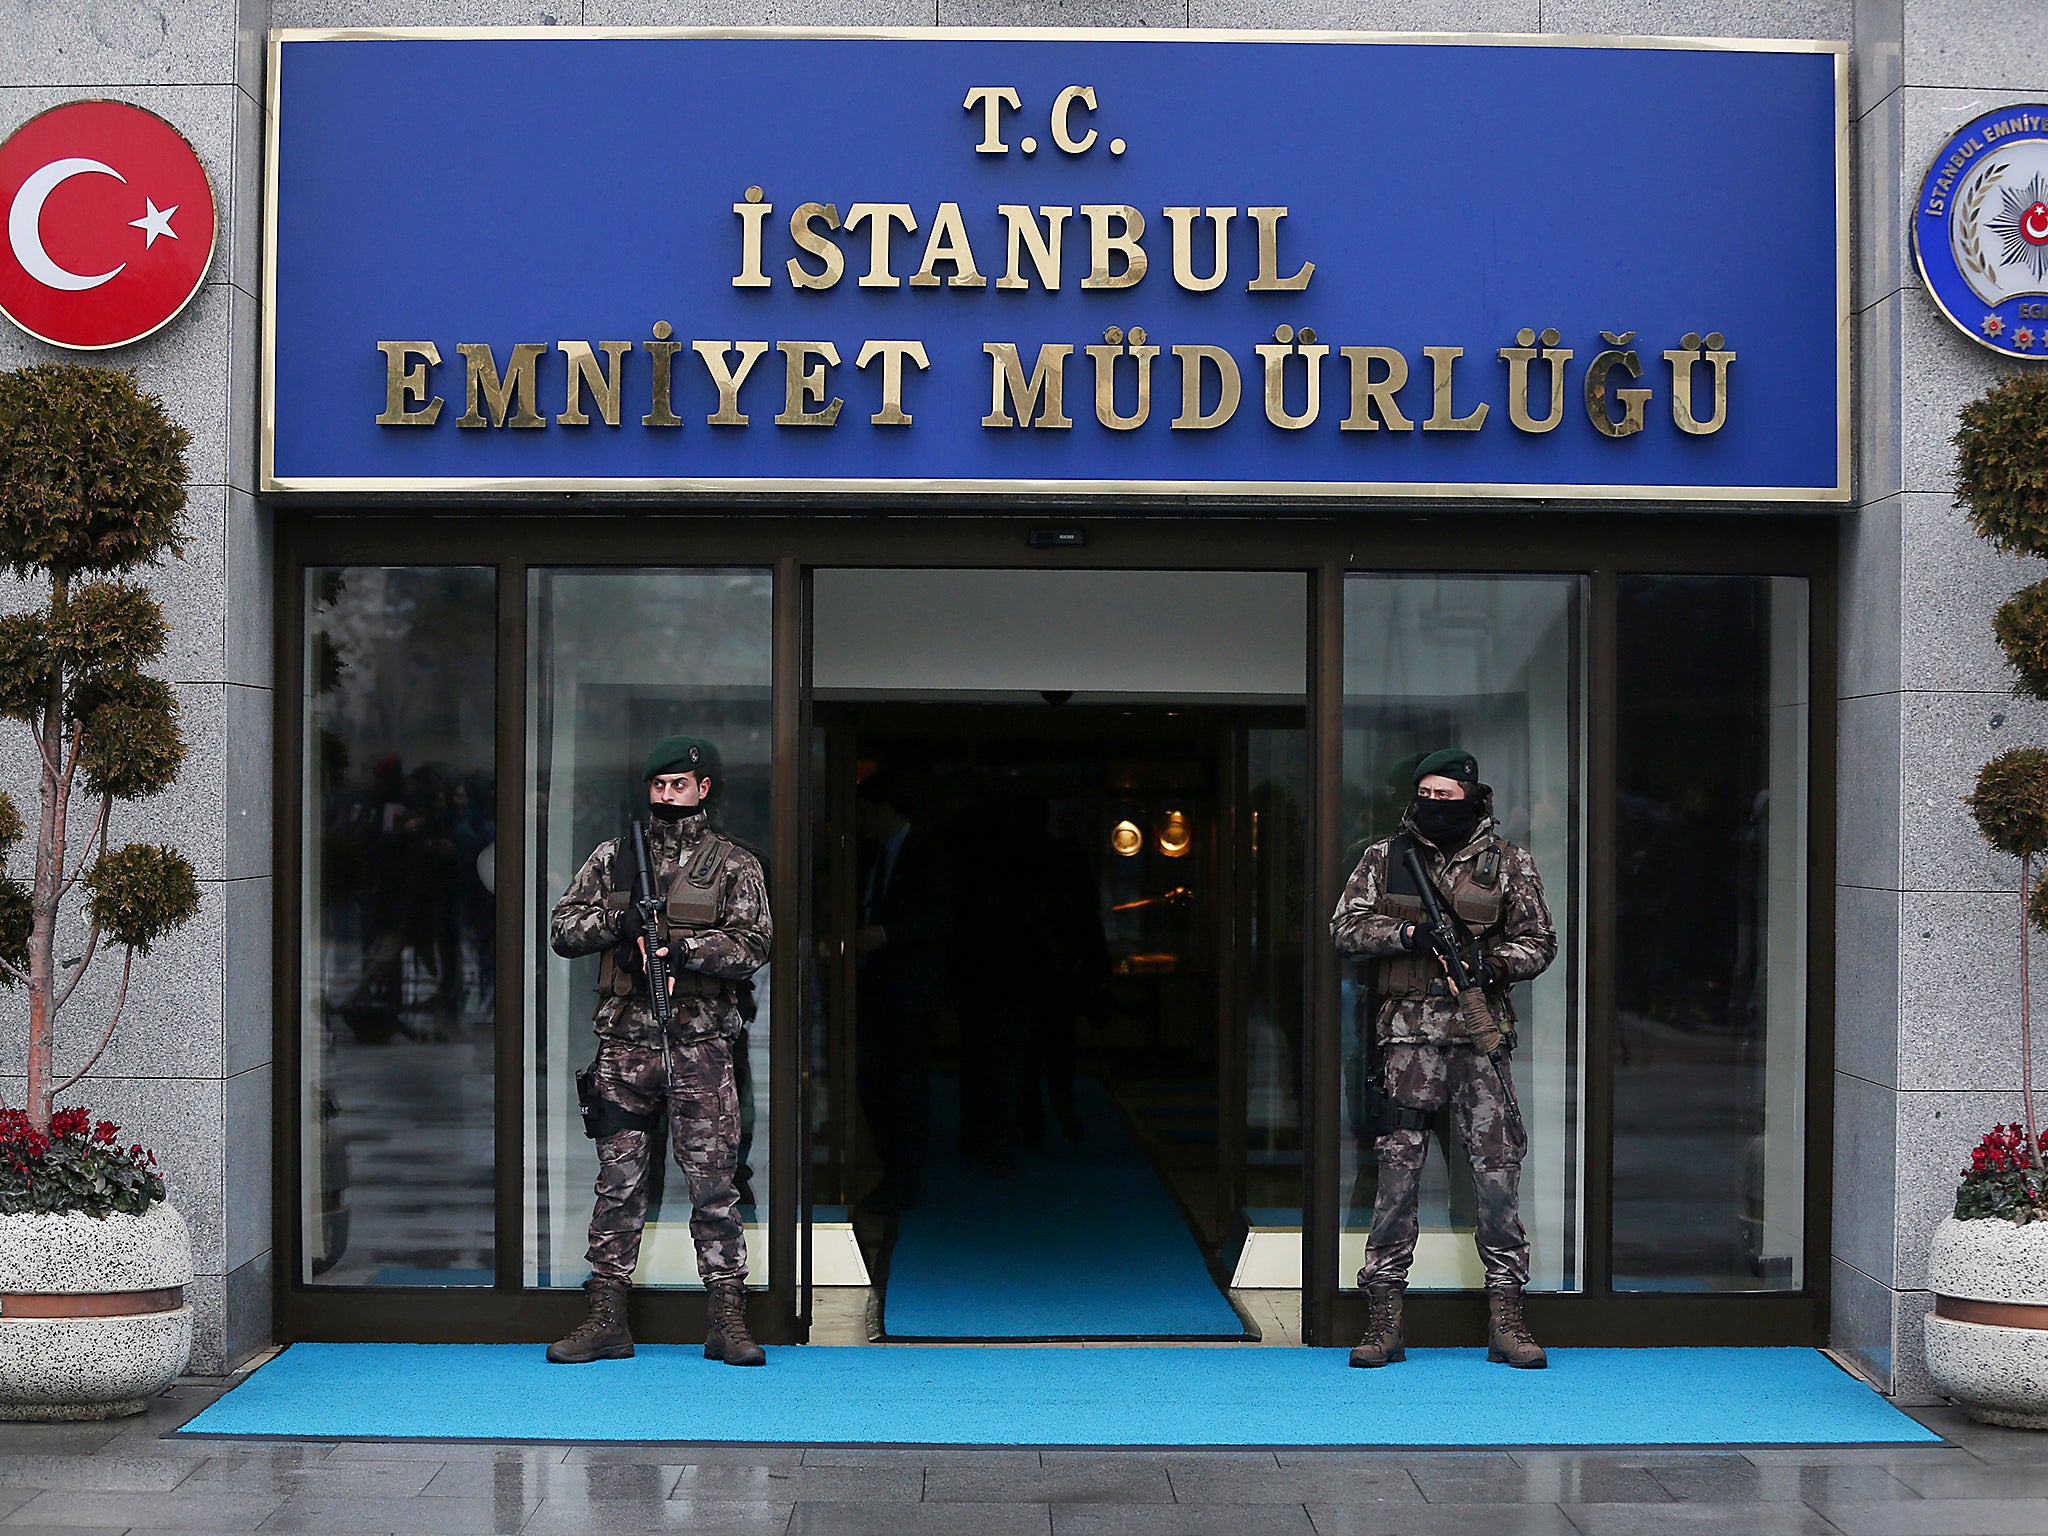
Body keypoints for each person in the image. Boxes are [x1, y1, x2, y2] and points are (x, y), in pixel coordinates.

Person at [545, 735, 773, 1367]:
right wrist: (619, 926)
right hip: (625, 1046)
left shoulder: (733, 865)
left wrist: (686, 952)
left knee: (714, 1187)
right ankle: (605, 1318)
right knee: (618, 1185)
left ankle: (727, 1319)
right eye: (659, 786)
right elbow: (564, 929)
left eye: (680, 785)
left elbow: (755, 944)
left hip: (699, 1045)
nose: (668, 796)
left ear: (703, 788)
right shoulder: (616, 858)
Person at [1330, 748, 1557, 1370]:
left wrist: (1491, 963)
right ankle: (1382, 1320)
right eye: (1423, 794)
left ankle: (1508, 1317)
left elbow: (1539, 943)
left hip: (1480, 1044)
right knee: (1396, 1178)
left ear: (1472, 798)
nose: (1431, 805)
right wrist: (1408, 935)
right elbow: (1346, 927)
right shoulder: (1387, 857)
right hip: (1406, 1043)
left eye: (1445, 796)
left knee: (1496, 1174)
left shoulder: (1508, 863)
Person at [853, 769, 956, 1212]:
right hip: (872, 985)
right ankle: (889, 1167)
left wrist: (887, 934)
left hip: (911, 988)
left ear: (885, 810)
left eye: (864, 812)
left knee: (906, 1083)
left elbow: (944, 919)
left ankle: (904, 1177)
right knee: (873, 1080)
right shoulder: (866, 856)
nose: (859, 822)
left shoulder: (930, 854)